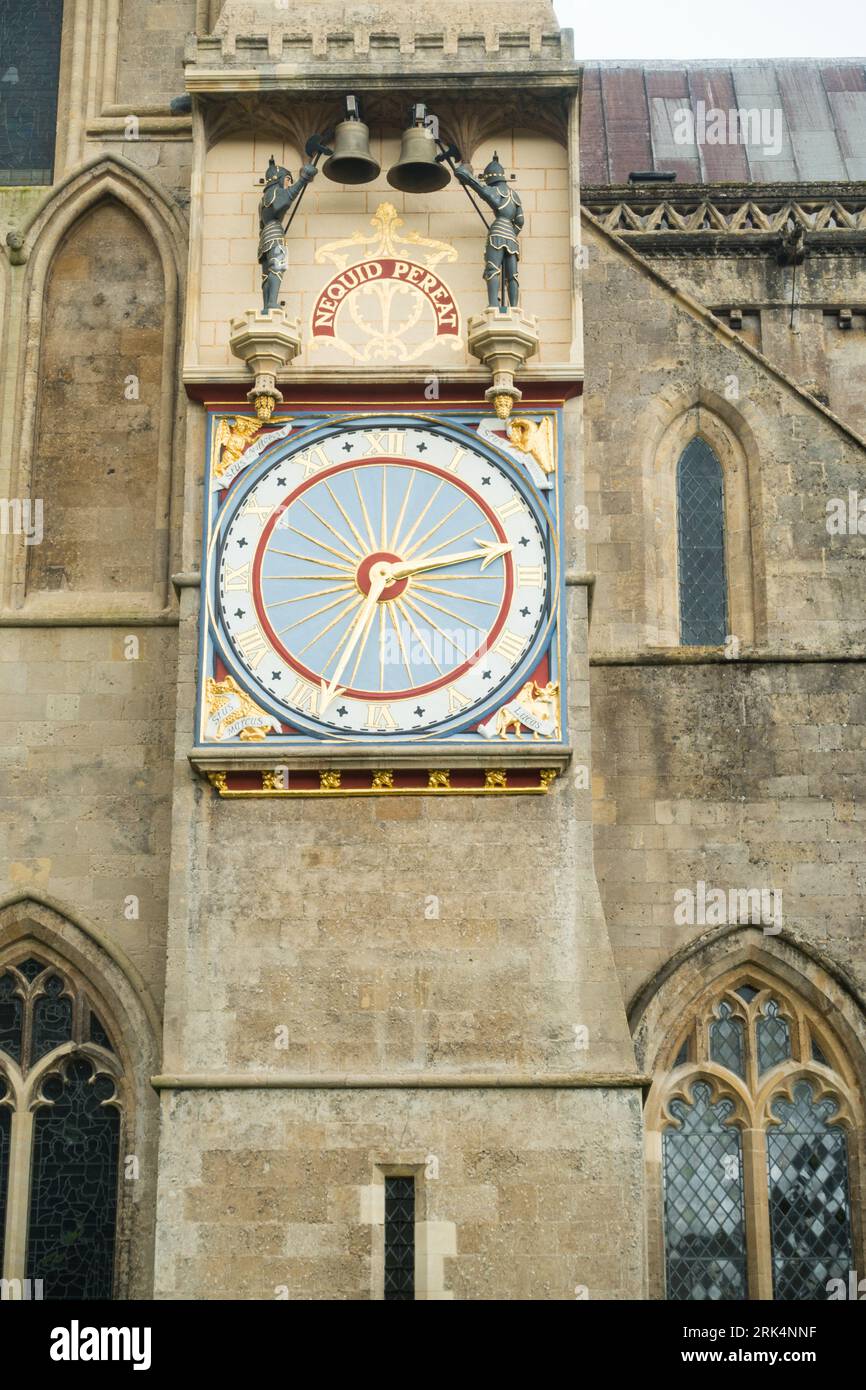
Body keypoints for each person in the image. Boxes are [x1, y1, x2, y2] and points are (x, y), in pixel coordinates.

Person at [454, 152, 524, 309]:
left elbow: (479, 188)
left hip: (497, 232)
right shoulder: (515, 196)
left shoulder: (495, 191)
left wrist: (464, 174)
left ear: (491, 178)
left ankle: (493, 304)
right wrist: (511, 233)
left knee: (492, 269)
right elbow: (520, 221)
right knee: (512, 275)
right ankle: (514, 308)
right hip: (512, 237)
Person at [258, 156, 318, 313]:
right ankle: (271, 303)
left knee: (267, 274)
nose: (289, 184)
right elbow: (287, 197)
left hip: (265, 237)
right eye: (287, 180)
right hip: (275, 234)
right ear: (279, 179)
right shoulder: (276, 193)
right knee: (278, 267)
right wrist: (303, 179)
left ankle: (266, 305)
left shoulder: (263, 200)